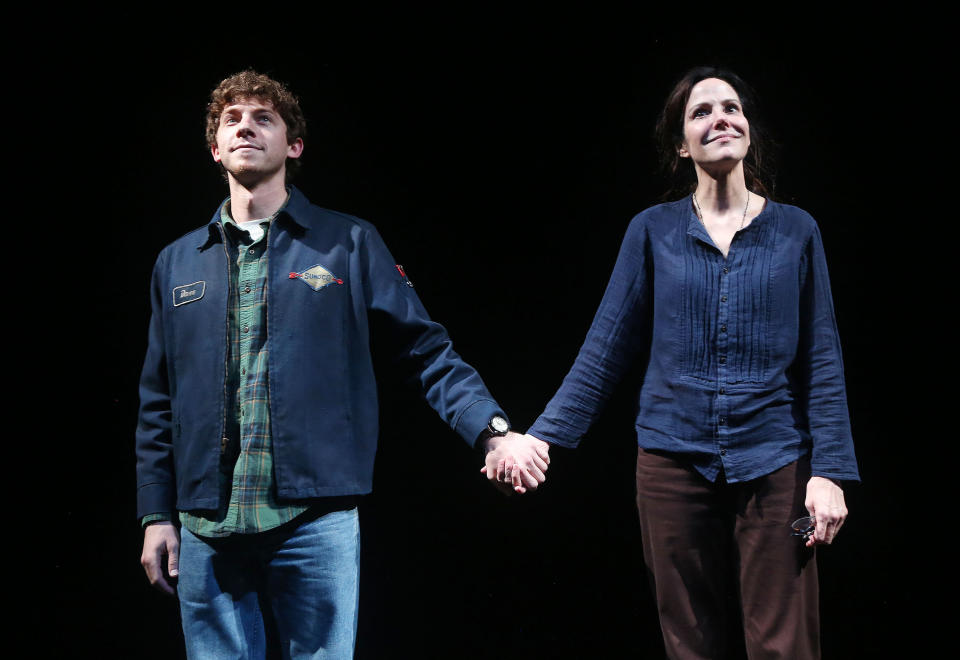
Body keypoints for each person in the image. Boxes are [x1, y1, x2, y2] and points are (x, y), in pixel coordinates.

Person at [136, 70, 549, 659]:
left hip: (313, 518)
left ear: (294, 145)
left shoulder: (347, 242)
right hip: (206, 524)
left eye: (264, 118)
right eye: (233, 119)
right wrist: (155, 512)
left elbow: (425, 350)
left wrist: (493, 432)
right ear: (215, 148)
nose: (246, 126)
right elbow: (158, 399)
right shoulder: (176, 263)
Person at [503, 67, 860, 659]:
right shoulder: (651, 231)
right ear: (681, 143)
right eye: (701, 112)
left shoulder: (798, 230)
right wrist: (541, 439)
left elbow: (822, 358)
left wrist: (831, 472)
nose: (720, 117)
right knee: (688, 643)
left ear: (748, 129)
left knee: (786, 643)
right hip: (671, 458)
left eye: (731, 108)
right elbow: (604, 349)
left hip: (776, 460)